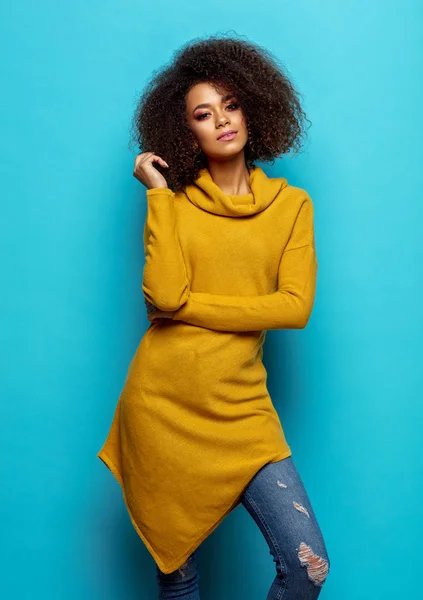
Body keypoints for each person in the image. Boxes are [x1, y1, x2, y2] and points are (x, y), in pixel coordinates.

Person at [97, 34, 331, 598]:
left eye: (231, 104)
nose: (222, 121)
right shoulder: (173, 205)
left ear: (255, 108)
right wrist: (156, 194)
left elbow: (293, 308)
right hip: (163, 407)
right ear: (186, 133)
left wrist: (190, 309)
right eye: (203, 114)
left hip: (243, 409)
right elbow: (161, 290)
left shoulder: (291, 207)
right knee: (179, 575)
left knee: (308, 566)